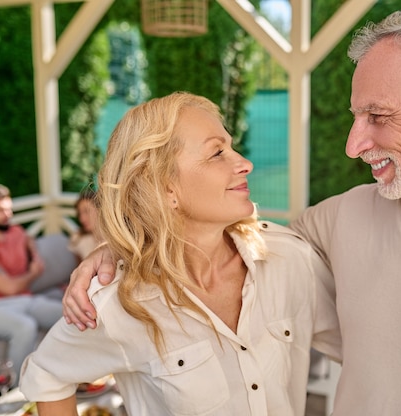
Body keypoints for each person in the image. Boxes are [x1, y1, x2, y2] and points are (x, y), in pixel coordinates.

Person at [62, 9, 401, 415]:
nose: (354, 145)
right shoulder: (337, 220)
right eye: (357, 116)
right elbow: (215, 237)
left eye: (378, 116)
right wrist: (123, 243)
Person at [19, 92, 341, 415]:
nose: (245, 163)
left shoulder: (288, 259)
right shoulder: (120, 302)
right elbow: (46, 374)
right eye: (217, 153)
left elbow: (362, 347)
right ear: (166, 189)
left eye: (231, 146)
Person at [0, 184, 63, 377]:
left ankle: (79, 373)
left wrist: (34, 256)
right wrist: (34, 272)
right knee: (25, 327)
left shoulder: (15, 232)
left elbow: (28, 240)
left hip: (25, 300)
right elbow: (9, 288)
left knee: (68, 314)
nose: (7, 214)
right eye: (0, 210)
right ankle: (20, 389)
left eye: (9, 209)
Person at [68, 187, 103, 261]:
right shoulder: (78, 238)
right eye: (79, 214)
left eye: (86, 211)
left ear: (100, 210)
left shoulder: (114, 239)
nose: (82, 219)